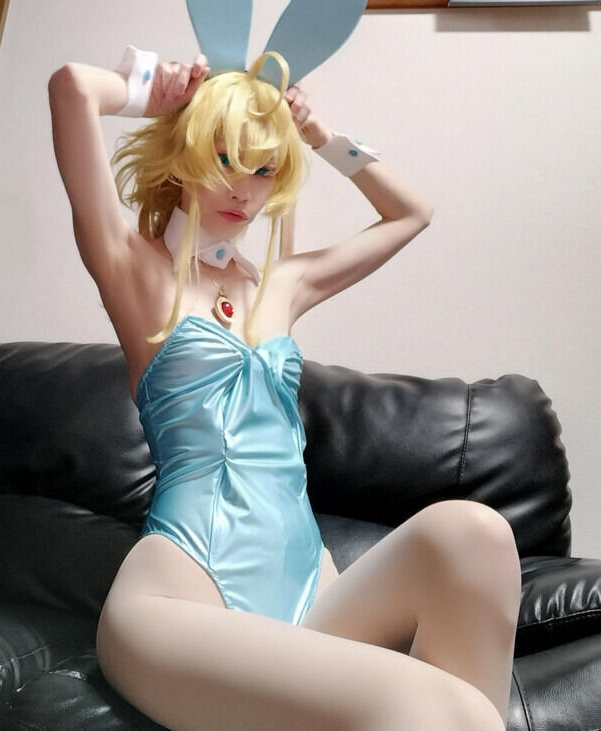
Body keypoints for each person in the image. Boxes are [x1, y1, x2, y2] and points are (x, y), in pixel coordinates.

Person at [48, 44, 521, 731]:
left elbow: (412, 213)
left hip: (310, 597)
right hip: (180, 599)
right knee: (436, 705)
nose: (243, 189)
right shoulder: (136, 271)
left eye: (264, 168)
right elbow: (71, 88)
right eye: (225, 159)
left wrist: (322, 136)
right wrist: (156, 90)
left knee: (476, 533)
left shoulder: (281, 285)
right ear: (184, 155)